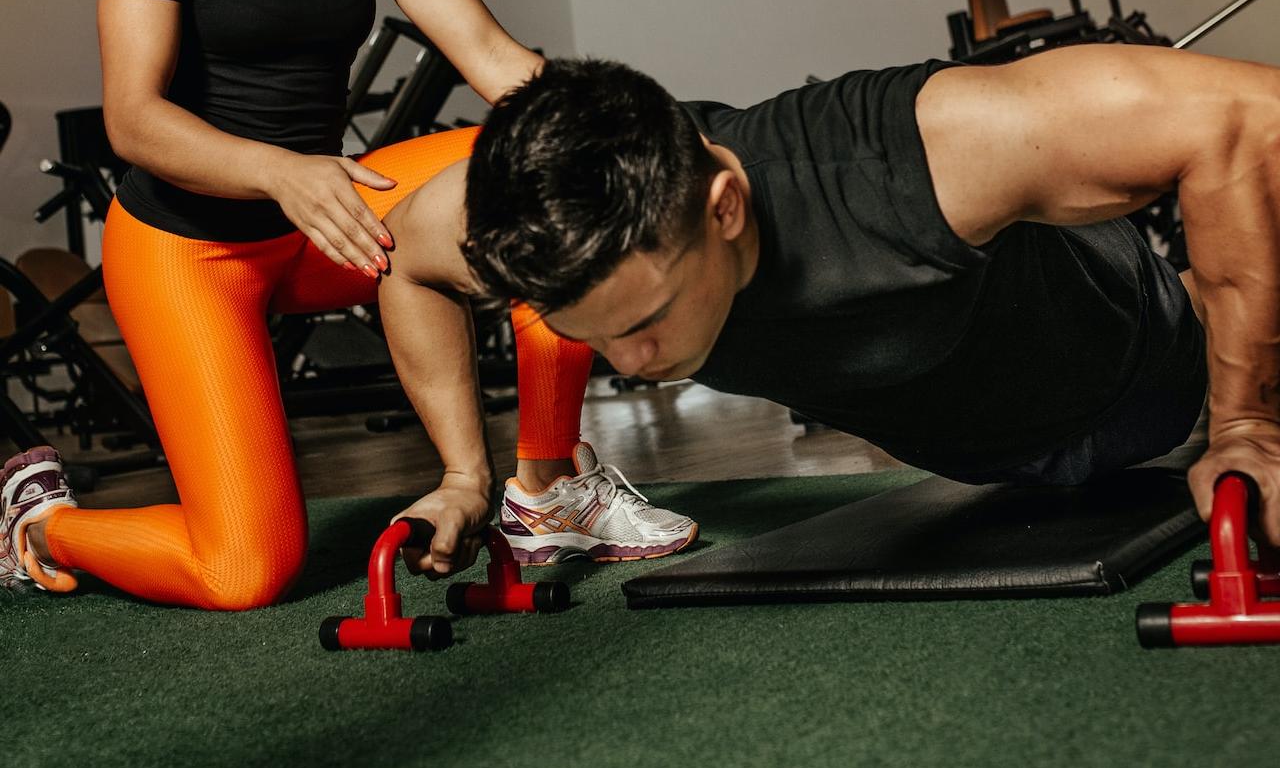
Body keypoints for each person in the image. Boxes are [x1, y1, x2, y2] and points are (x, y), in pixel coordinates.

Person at [0, 0, 694, 604]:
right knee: (244, 567)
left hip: (333, 217)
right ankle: (40, 519)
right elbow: (135, 120)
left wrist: (646, 128)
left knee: (555, 179)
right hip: (192, 246)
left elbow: (494, 58)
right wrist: (282, 168)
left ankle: (545, 489)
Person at [316, 44, 1280, 577]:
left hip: (1152, 365)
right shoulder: (523, 221)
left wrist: (1246, 424)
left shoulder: (910, 155)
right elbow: (404, 263)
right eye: (587, 332)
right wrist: (460, 475)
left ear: (724, 208)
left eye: (645, 317)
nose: (633, 360)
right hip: (987, 461)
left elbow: (1242, 119)